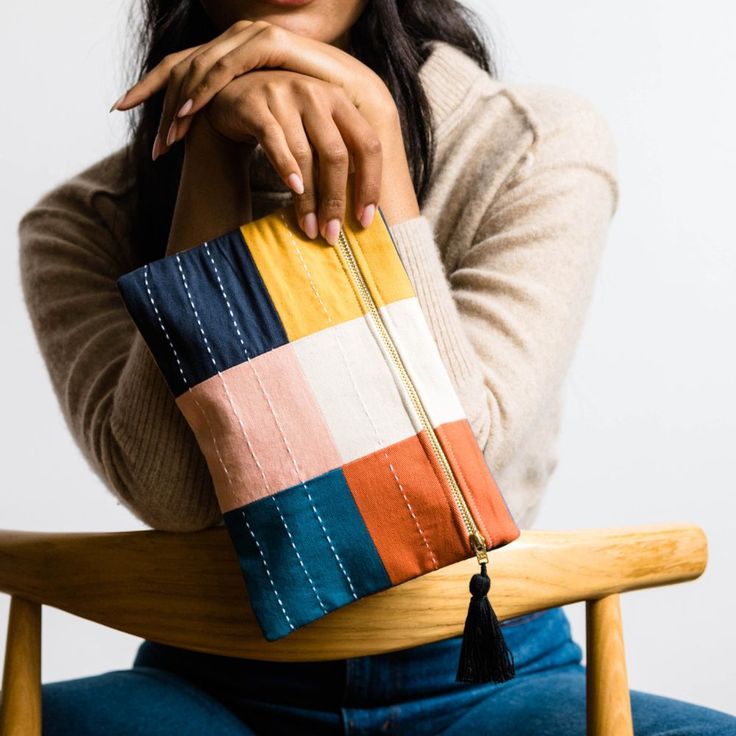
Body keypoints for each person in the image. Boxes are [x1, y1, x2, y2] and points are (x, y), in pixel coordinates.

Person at [15, 0, 736, 733]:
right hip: (213, 679)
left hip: (481, 670)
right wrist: (210, 160)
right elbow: (173, 498)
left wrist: (375, 140)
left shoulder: (527, 142)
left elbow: (454, 472)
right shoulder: (80, 224)